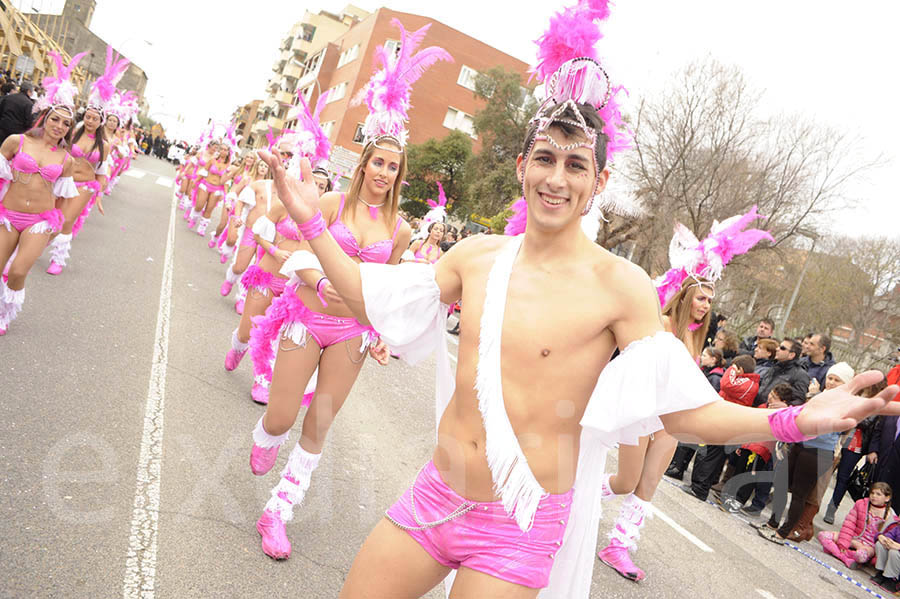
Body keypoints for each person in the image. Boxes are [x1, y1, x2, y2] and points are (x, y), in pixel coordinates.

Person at [249, 78, 419, 558]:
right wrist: (321, 282)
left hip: (353, 334)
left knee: (318, 424)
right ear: (363, 165)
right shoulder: (331, 203)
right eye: (378, 162)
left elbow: (383, 290)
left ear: (399, 174)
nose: (384, 172)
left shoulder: (400, 230)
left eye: (393, 166)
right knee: (281, 418)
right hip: (308, 316)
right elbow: (298, 259)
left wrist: (383, 333)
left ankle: (277, 513)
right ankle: (265, 435)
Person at [0, 53, 80, 334]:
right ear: (45, 118)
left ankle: (4, 314)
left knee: (19, 271)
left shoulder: (66, 159)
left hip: (39, 222)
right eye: (55, 119)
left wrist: (59, 227)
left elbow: (65, 198)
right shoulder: (16, 141)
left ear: (69, 129)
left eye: (65, 123)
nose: (59, 126)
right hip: (7, 216)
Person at [759, 362, 856, 544]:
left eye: (837, 380)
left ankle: (783, 533)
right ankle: (773, 523)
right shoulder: (821, 396)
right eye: (830, 378)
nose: (832, 382)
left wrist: (813, 396)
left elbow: (827, 421)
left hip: (819, 451)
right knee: (781, 483)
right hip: (800, 443)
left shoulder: (845, 402)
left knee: (799, 493)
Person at [818, 482, 896, 570]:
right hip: (854, 538)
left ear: (887, 498)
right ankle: (845, 558)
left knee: (861, 556)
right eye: (872, 493)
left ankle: (834, 550)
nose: (874, 496)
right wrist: (843, 543)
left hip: (869, 546)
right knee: (822, 535)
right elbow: (849, 525)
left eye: (878, 494)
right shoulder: (861, 504)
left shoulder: (891, 517)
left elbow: (887, 539)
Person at [754, 338, 810, 406]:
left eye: (782, 348)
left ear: (791, 355)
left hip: (774, 413)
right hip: (758, 408)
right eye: (779, 346)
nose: (777, 349)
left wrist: (786, 405)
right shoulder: (774, 368)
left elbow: (800, 400)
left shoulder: (800, 375)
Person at [872, 514, 900, 593]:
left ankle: (892, 579)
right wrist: (885, 539)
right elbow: (889, 534)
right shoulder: (897, 528)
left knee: (894, 553)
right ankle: (881, 572)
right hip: (892, 550)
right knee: (880, 545)